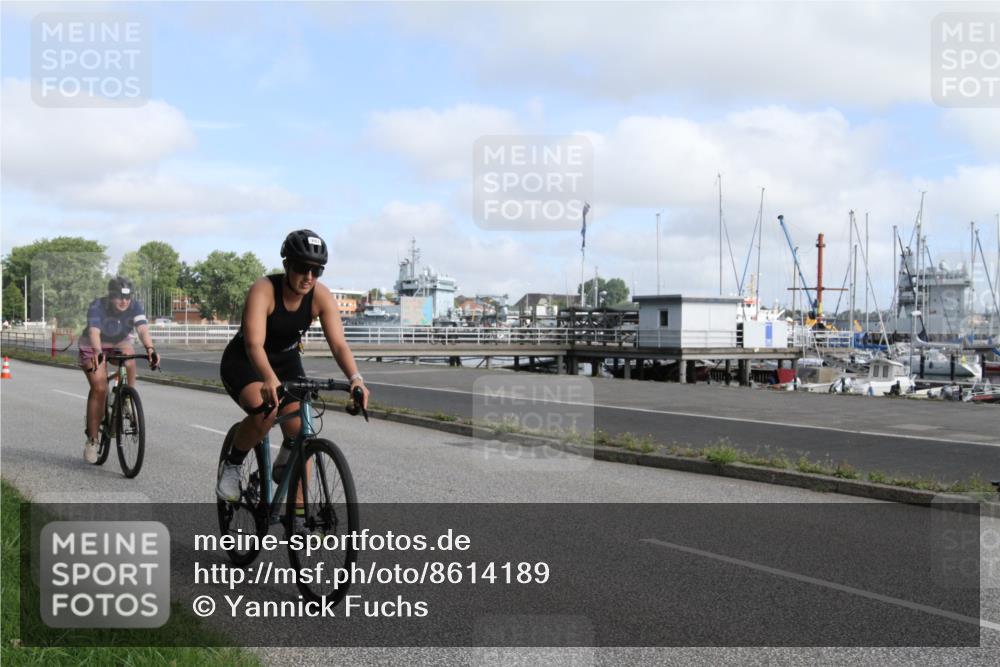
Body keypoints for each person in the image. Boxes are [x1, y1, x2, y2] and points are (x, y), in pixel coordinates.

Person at [217, 229, 369, 502]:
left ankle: (298, 518)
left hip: (286, 362)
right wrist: (268, 377)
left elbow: (339, 345)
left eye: (316, 270)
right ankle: (233, 464)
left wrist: (356, 378)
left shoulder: (320, 296)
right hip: (246, 360)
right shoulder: (264, 290)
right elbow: (254, 345)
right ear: (287, 265)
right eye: (302, 268)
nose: (309, 277)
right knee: (268, 408)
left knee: (303, 432)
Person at [79, 276, 160, 463]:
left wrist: (150, 348)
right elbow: (94, 332)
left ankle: (127, 397)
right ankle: (92, 440)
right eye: (119, 297)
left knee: (129, 357)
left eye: (127, 297)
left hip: (118, 343)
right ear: (110, 296)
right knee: (99, 388)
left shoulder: (134, 306)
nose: (124, 301)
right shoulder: (98, 306)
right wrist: (98, 352)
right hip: (93, 345)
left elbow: (142, 329)